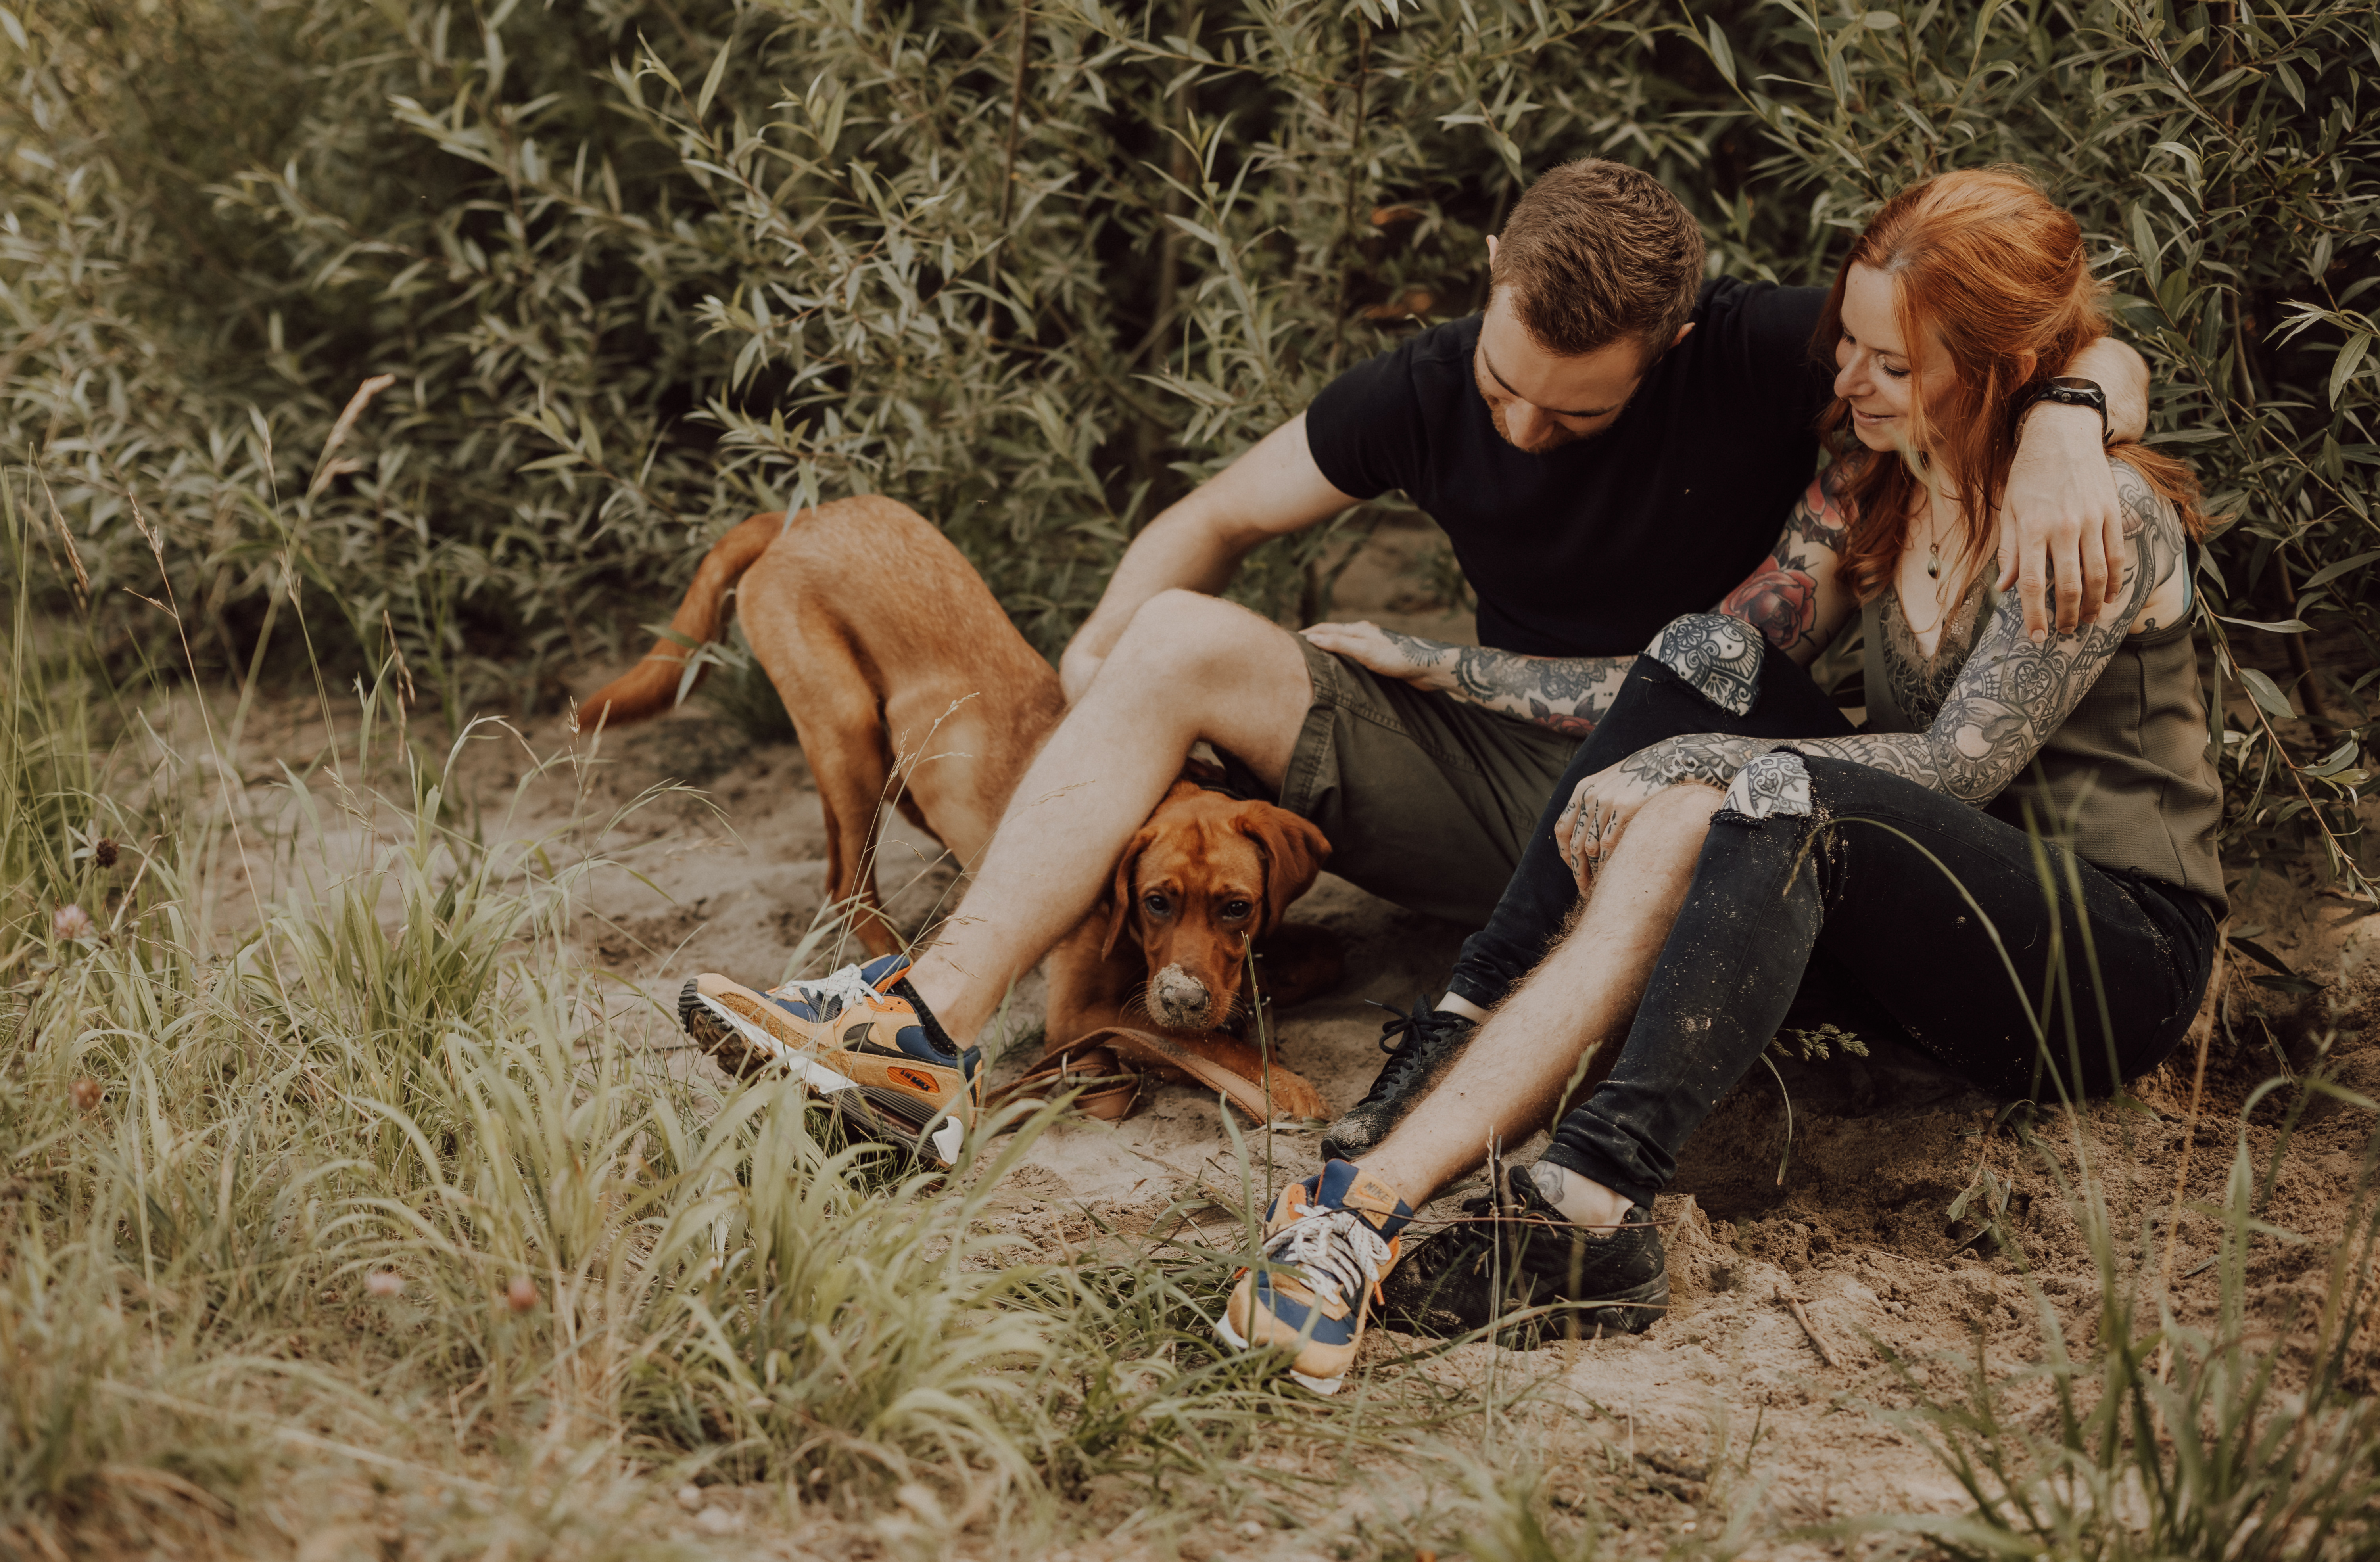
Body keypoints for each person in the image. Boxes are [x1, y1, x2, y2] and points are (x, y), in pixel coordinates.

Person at [676, 159, 2150, 1170]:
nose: (1517, 430)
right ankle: (917, 1023)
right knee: (1179, 636)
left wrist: (2074, 417)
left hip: (1690, 780)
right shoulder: (1429, 384)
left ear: (1675, 341)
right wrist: (1090, 691)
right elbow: (1209, 519)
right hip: (1507, 763)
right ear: (1494, 276)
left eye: (1573, 418)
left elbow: (2048, 332)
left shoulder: (1786, 351)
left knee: (1700, 671)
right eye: (1507, 387)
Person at [1217, 167, 2223, 1396]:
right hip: (1936, 938)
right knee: (1710, 650)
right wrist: (1437, 666)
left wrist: (1692, 764)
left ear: (2004, 370)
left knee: (1770, 790)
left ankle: (1594, 1201)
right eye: (1846, 349)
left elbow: (1966, 763)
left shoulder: (2091, 510)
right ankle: (1444, 1056)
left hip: (2103, 959)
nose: (1847, 383)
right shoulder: (1889, 482)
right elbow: (1691, 676)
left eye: (1891, 367)